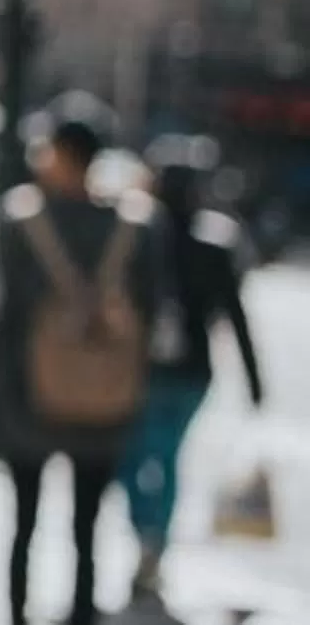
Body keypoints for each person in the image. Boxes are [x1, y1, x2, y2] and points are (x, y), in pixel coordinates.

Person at [0, 102, 155, 625]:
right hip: (105, 398)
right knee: (88, 524)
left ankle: (18, 613)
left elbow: (5, 315)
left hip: (29, 398)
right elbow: (150, 312)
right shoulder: (133, 225)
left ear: (62, 153)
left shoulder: (21, 219)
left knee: (24, 522)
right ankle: (82, 613)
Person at [121, 139, 267, 606]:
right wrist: (254, 381)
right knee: (164, 458)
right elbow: (236, 317)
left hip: (152, 372)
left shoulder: (144, 237)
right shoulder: (209, 243)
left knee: (138, 457)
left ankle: (148, 537)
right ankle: (153, 540)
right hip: (186, 373)